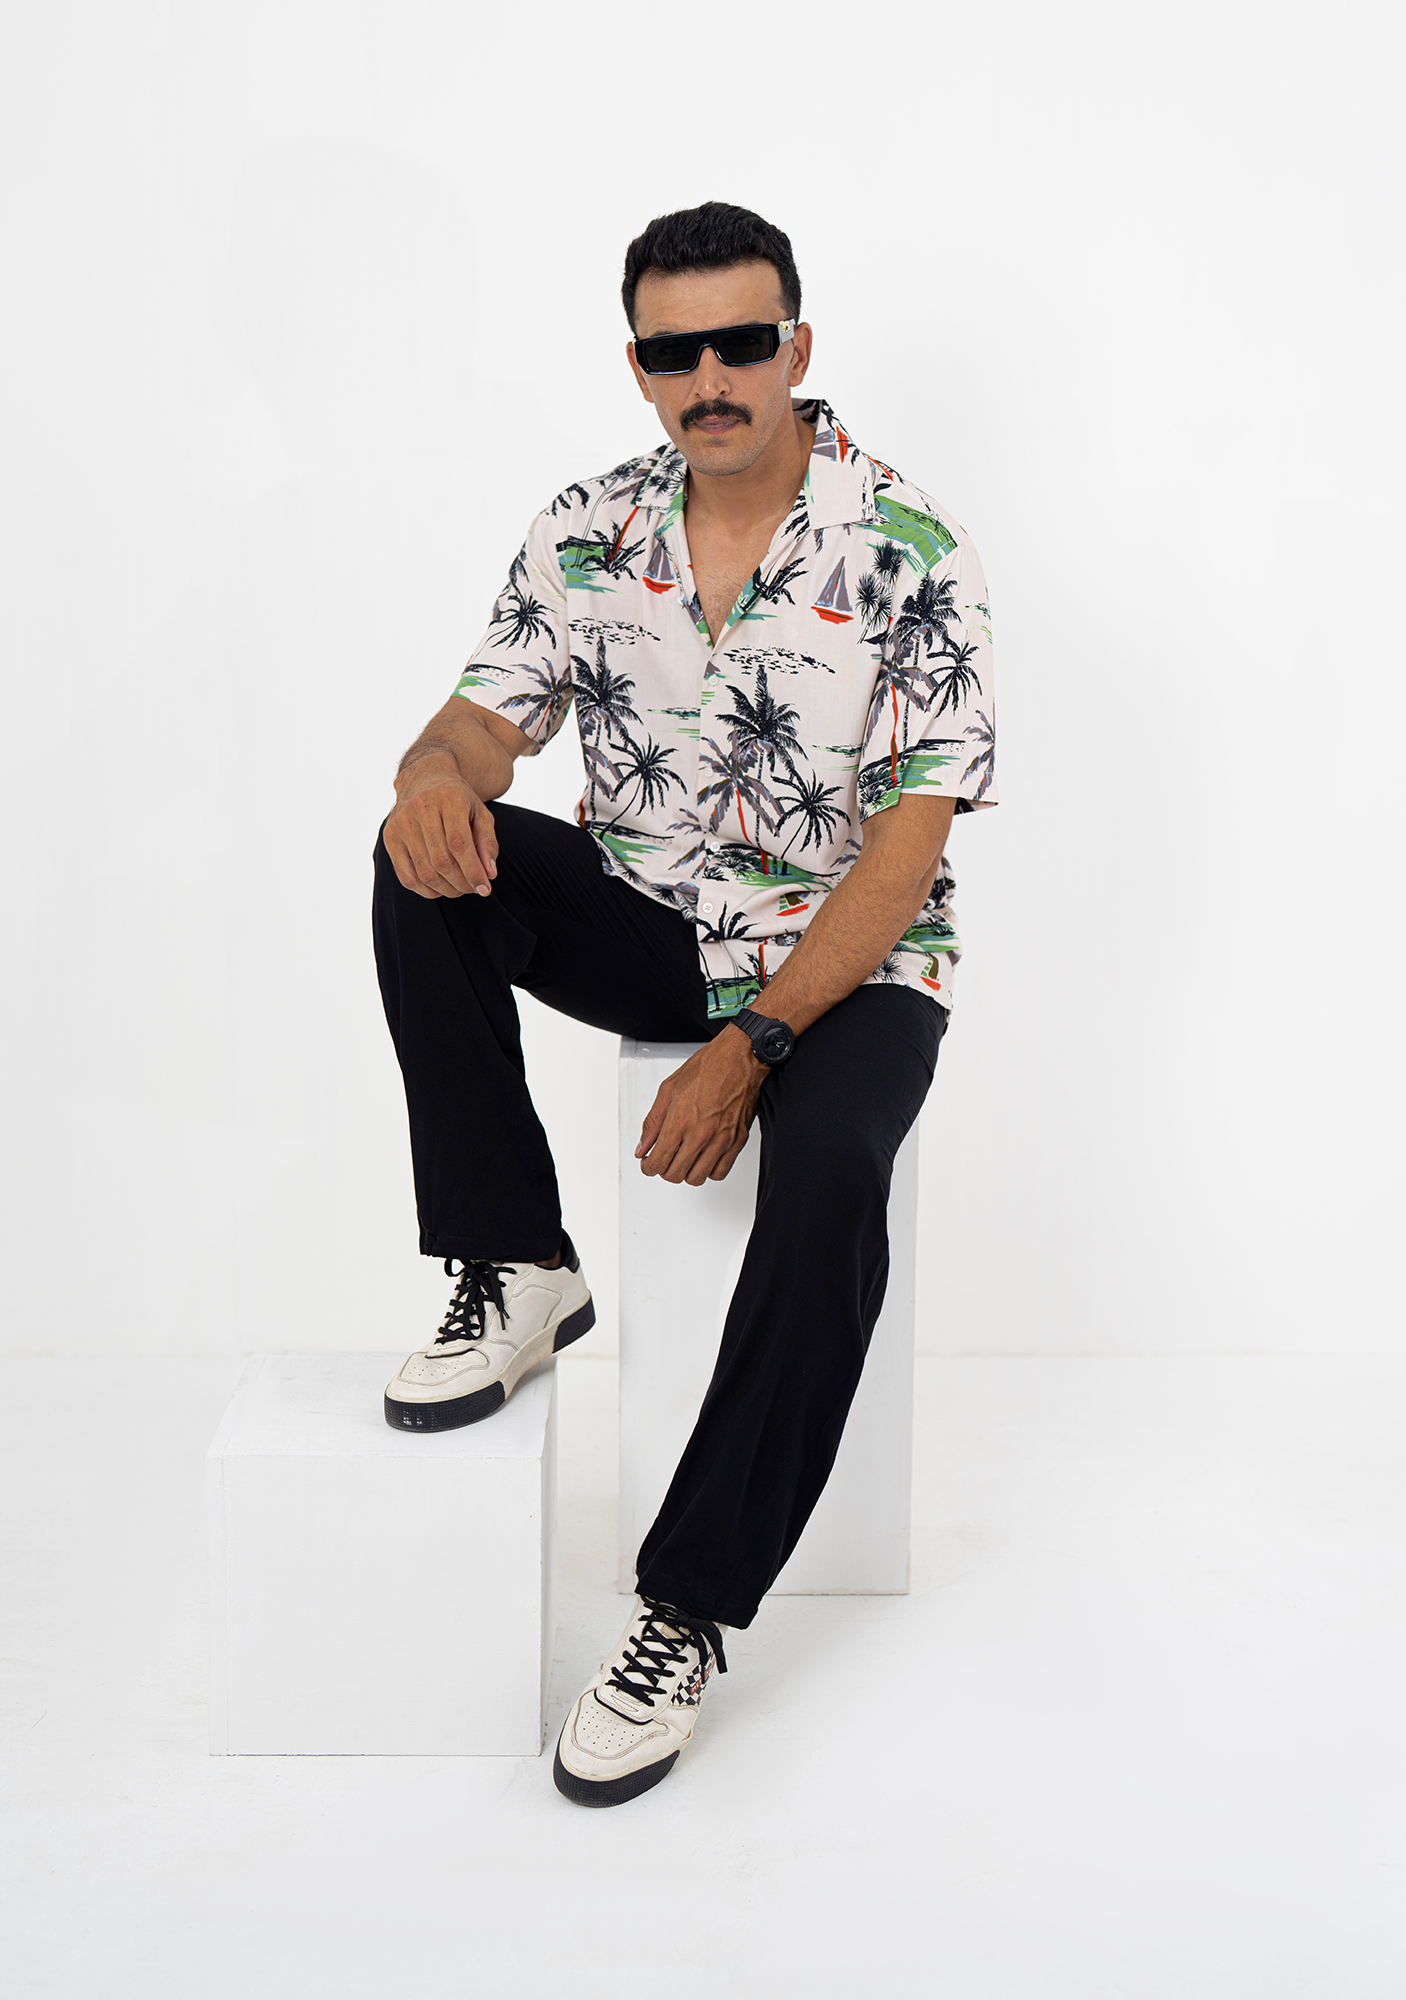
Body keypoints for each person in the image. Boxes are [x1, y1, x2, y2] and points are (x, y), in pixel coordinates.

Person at [372, 201, 995, 1807]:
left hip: (848, 958)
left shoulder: (910, 544)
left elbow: (908, 845)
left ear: (797, 347)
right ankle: (515, 1261)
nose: (710, 377)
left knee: (832, 1177)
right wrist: (431, 776)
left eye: (741, 342)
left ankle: (687, 1610)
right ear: (641, 365)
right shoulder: (587, 528)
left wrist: (756, 1045)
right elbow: (480, 722)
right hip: (653, 914)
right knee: (421, 861)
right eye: (675, 351)